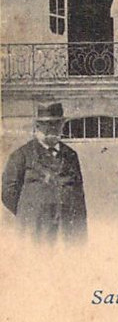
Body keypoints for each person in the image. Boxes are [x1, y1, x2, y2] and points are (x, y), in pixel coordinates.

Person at [1, 102, 87, 243]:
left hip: (67, 230)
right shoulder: (22, 155)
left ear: (62, 125)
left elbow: (78, 192)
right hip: (36, 229)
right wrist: (30, 212)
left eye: (56, 123)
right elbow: (8, 193)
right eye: (46, 124)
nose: (51, 128)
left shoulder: (71, 155)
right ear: (37, 127)